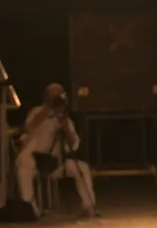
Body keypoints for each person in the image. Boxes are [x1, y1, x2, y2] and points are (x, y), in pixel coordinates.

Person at [16, 83, 98, 218]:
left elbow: (74, 146)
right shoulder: (37, 112)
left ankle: (88, 206)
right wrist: (48, 110)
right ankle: (29, 207)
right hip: (33, 159)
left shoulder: (65, 119)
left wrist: (65, 126)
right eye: (53, 96)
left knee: (81, 168)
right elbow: (29, 127)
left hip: (53, 162)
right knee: (24, 166)